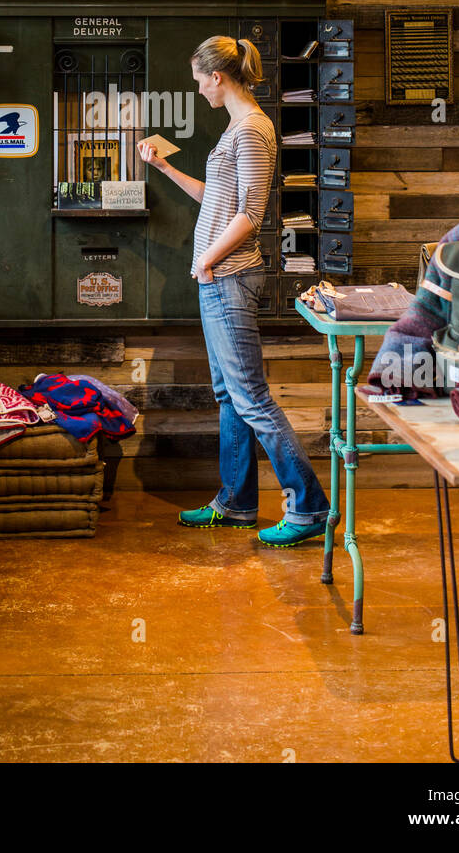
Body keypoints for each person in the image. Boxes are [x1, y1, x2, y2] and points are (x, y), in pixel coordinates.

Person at [139, 35, 330, 547]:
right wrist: (163, 168)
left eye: (200, 80)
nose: (198, 89)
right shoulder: (236, 129)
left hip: (229, 276)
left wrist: (206, 260)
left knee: (251, 397)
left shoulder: (252, 130)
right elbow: (215, 200)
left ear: (218, 77)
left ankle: (309, 507)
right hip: (218, 276)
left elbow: (251, 213)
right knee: (230, 395)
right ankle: (238, 503)